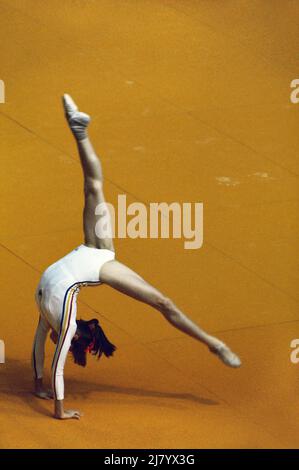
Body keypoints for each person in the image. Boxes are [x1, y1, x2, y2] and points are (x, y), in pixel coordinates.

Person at [32, 95, 241, 420]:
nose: (62, 339)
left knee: (94, 188)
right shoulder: (53, 314)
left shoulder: (59, 316)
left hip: (95, 257)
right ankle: (213, 343)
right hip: (89, 262)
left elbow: (52, 359)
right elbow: (41, 351)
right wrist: (45, 394)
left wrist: (50, 400)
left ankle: (78, 129)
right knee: (94, 188)